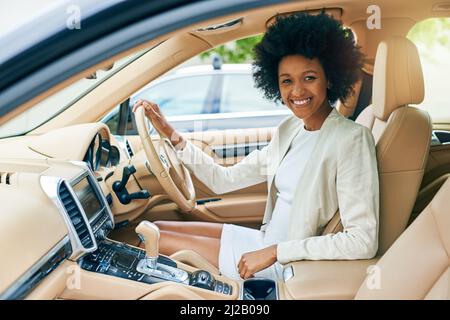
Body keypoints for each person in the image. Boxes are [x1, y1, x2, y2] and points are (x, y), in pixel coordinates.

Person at [132, 12, 379, 280]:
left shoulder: (352, 139)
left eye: (309, 77)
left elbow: (362, 241)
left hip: (286, 263)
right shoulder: (290, 130)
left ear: (330, 78)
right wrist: (171, 135)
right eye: (287, 80)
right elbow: (222, 179)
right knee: (154, 227)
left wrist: (275, 252)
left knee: (150, 243)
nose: (296, 91)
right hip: (263, 242)